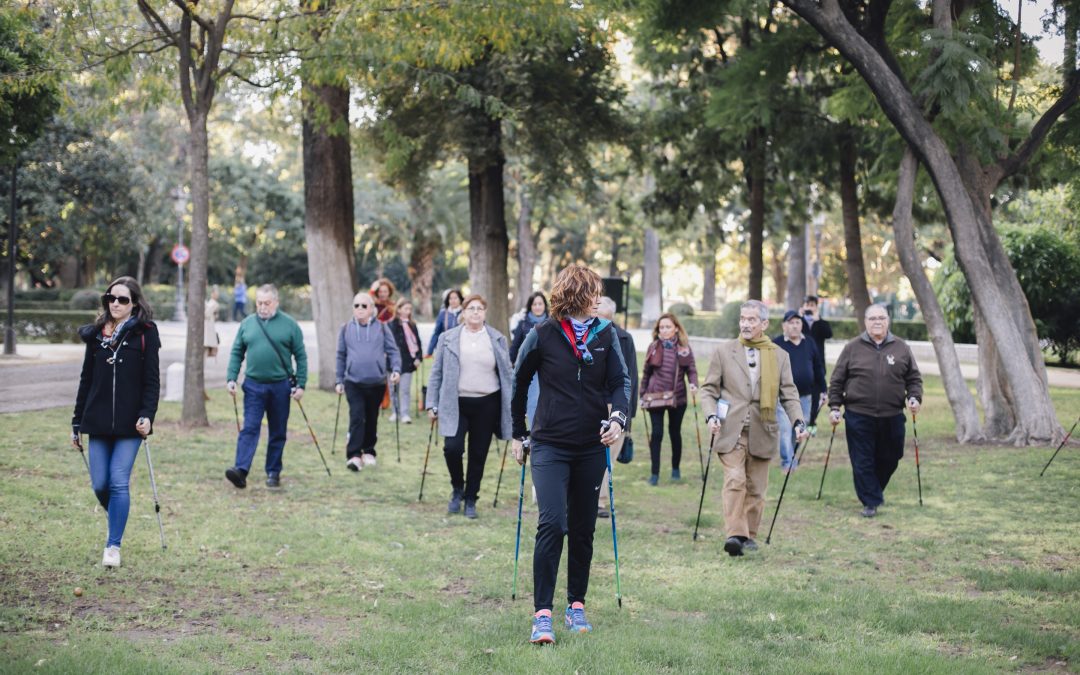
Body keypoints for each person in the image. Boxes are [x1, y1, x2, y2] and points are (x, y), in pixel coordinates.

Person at [511, 264, 629, 644]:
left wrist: (618, 418)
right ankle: (541, 614)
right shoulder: (543, 333)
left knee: (583, 526)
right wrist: (518, 433)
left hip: (592, 445)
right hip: (549, 443)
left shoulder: (606, 334)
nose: (598, 299)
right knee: (552, 523)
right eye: (592, 292)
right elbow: (520, 380)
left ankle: (575, 603)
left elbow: (619, 381)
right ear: (578, 296)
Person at [700, 300, 808, 557]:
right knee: (735, 480)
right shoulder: (724, 352)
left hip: (764, 429)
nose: (746, 324)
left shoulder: (779, 356)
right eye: (742, 319)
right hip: (730, 429)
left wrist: (798, 421)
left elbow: (789, 394)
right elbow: (708, 391)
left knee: (756, 488)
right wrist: (710, 416)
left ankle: (749, 534)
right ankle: (734, 534)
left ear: (764, 324)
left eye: (751, 320)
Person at [71, 277, 161, 568]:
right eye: (111, 298)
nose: (116, 304)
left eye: (123, 299)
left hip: (130, 424)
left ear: (134, 303)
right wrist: (76, 423)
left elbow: (152, 382)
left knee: (118, 481)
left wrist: (147, 415)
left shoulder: (146, 333)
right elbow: (86, 380)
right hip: (97, 421)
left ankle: (113, 546)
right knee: (100, 484)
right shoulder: (96, 335)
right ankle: (118, 519)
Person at [828, 303, 923, 518]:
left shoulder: (901, 347)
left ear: (888, 321)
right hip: (858, 414)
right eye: (872, 318)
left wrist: (915, 397)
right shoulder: (852, 348)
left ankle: (873, 490)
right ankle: (870, 501)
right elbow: (837, 380)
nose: (877, 322)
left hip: (892, 415)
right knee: (863, 460)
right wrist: (835, 407)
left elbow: (914, 379)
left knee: (892, 456)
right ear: (865, 322)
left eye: (881, 318)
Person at [427, 294, 513, 519]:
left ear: (485, 313)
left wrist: (513, 406)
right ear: (463, 313)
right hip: (456, 402)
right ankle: (457, 488)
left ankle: (471, 498)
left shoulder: (497, 338)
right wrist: (431, 404)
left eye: (480, 309)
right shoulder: (448, 338)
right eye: (471, 308)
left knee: (478, 453)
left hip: (487, 403)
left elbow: (507, 373)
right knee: (452, 448)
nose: (475, 312)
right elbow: (436, 373)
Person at [225, 284, 307, 489]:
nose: (262, 307)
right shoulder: (247, 324)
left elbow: (301, 356)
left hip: (280, 386)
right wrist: (231, 378)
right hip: (253, 385)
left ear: (276, 302)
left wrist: (301, 384)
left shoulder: (290, 325)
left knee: (278, 430)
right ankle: (241, 470)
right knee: (250, 427)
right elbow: (237, 352)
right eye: (259, 302)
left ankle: (273, 471)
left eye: (266, 303)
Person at [336, 292, 402, 471]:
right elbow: (341, 355)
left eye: (364, 306)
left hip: (377, 381)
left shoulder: (381, 328)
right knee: (357, 416)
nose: (360, 309)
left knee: (371, 417)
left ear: (372, 309)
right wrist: (339, 380)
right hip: (353, 382)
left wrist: (396, 369)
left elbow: (393, 350)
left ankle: (369, 451)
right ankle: (354, 455)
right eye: (356, 305)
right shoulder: (345, 328)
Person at [640, 312, 698, 485]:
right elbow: (646, 372)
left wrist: (693, 383)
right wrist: (642, 393)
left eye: (668, 327)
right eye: (661, 327)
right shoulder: (653, 347)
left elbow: (692, 369)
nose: (664, 330)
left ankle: (675, 469)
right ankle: (654, 473)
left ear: (676, 329)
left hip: (677, 398)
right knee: (656, 434)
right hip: (655, 397)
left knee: (675, 433)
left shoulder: (684, 348)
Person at [595, 295, 637, 518]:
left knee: (607, 458)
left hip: (615, 406)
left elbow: (629, 379)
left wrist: (626, 416)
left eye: (604, 318)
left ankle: (600, 502)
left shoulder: (624, 339)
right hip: (590, 403)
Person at [773, 310, 826, 471]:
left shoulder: (809, 342)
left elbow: (818, 367)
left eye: (797, 322)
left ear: (801, 325)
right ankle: (787, 463)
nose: (795, 326)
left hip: (806, 396)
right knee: (785, 429)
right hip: (783, 397)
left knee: (799, 430)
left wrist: (823, 390)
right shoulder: (776, 344)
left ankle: (792, 457)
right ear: (784, 325)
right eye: (791, 322)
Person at [509, 291, 548, 425]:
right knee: (533, 400)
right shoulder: (523, 324)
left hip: (549, 368)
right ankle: (534, 428)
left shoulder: (553, 322)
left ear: (544, 305)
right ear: (530, 306)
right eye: (534, 304)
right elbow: (515, 347)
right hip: (531, 369)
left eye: (540, 304)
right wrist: (511, 362)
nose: (537, 307)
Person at [800, 295, 832, 426]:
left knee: (816, 396)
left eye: (812, 305)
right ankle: (802, 421)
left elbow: (828, 334)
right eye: (807, 305)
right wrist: (799, 317)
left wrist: (817, 320)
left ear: (816, 307)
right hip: (803, 365)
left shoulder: (821, 323)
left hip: (818, 366)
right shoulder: (799, 322)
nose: (809, 308)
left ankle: (812, 422)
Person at [389, 297, 422, 424]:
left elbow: (418, 342)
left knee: (405, 389)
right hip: (393, 363)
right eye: (405, 308)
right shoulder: (392, 325)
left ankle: (405, 413)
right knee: (393, 389)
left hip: (408, 362)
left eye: (410, 309)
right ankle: (395, 412)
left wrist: (418, 357)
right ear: (398, 309)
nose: (408, 311)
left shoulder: (412, 325)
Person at [427, 288, 463, 355]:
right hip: (447, 349)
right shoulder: (443, 313)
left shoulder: (465, 313)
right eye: (450, 298)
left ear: (460, 299)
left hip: (462, 348)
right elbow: (437, 333)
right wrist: (430, 351)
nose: (453, 301)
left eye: (455, 298)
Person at [205, 286, 220, 358]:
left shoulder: (212, 303)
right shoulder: (213, 303)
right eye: (216, 293)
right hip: (208, 328)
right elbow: (207, 314)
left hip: (209, 327)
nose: (217, 295)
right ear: (212, 294)